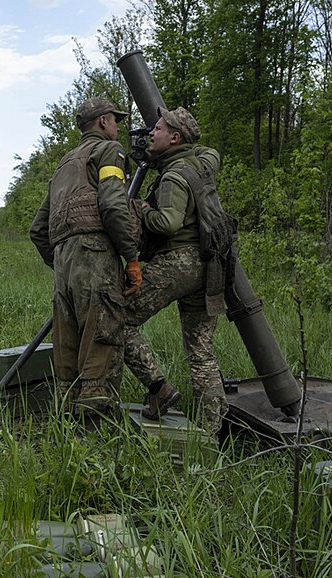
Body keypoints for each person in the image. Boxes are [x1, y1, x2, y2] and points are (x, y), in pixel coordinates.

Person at [29, 97, 143, 419]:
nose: (118, 127)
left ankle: (66, 427)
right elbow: (112, 205)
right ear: (104, 122)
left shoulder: (64, 165)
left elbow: (38, 229)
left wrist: (66, 258)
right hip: (95, 256)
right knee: (101, 340)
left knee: (67, 346)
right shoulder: (108, 151)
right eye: (115, 121)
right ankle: (96, 434)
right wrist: (131, 258)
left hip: (64, 261)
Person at [123, 106, 230, 436]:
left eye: (157, 128)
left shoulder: (173, 176)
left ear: (175, 137)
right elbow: (210, 152)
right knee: (201, 354)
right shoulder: (202, 163)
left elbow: (167, 223)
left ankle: (158, 386)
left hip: (178, 263)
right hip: (210, 266)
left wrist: (141, 208)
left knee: (116, 318)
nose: (150, 133)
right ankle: (214, 432)